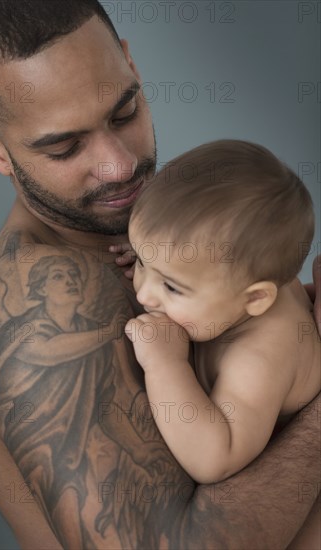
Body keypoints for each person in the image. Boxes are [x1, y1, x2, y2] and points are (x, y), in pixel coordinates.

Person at [0, 1, 320, 548]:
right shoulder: (32, 315)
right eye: (65, 146)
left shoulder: (173, 226)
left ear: (131, 66)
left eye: (125, 113)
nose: (120, 165)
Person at [123, 139, 320, 485]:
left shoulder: (259, 359)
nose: (143, 293)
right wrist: (161, 261)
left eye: (171, 286)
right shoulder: (242, 276)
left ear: (256, 298)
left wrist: (165, 365)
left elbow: (215, 459)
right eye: (141, 260)